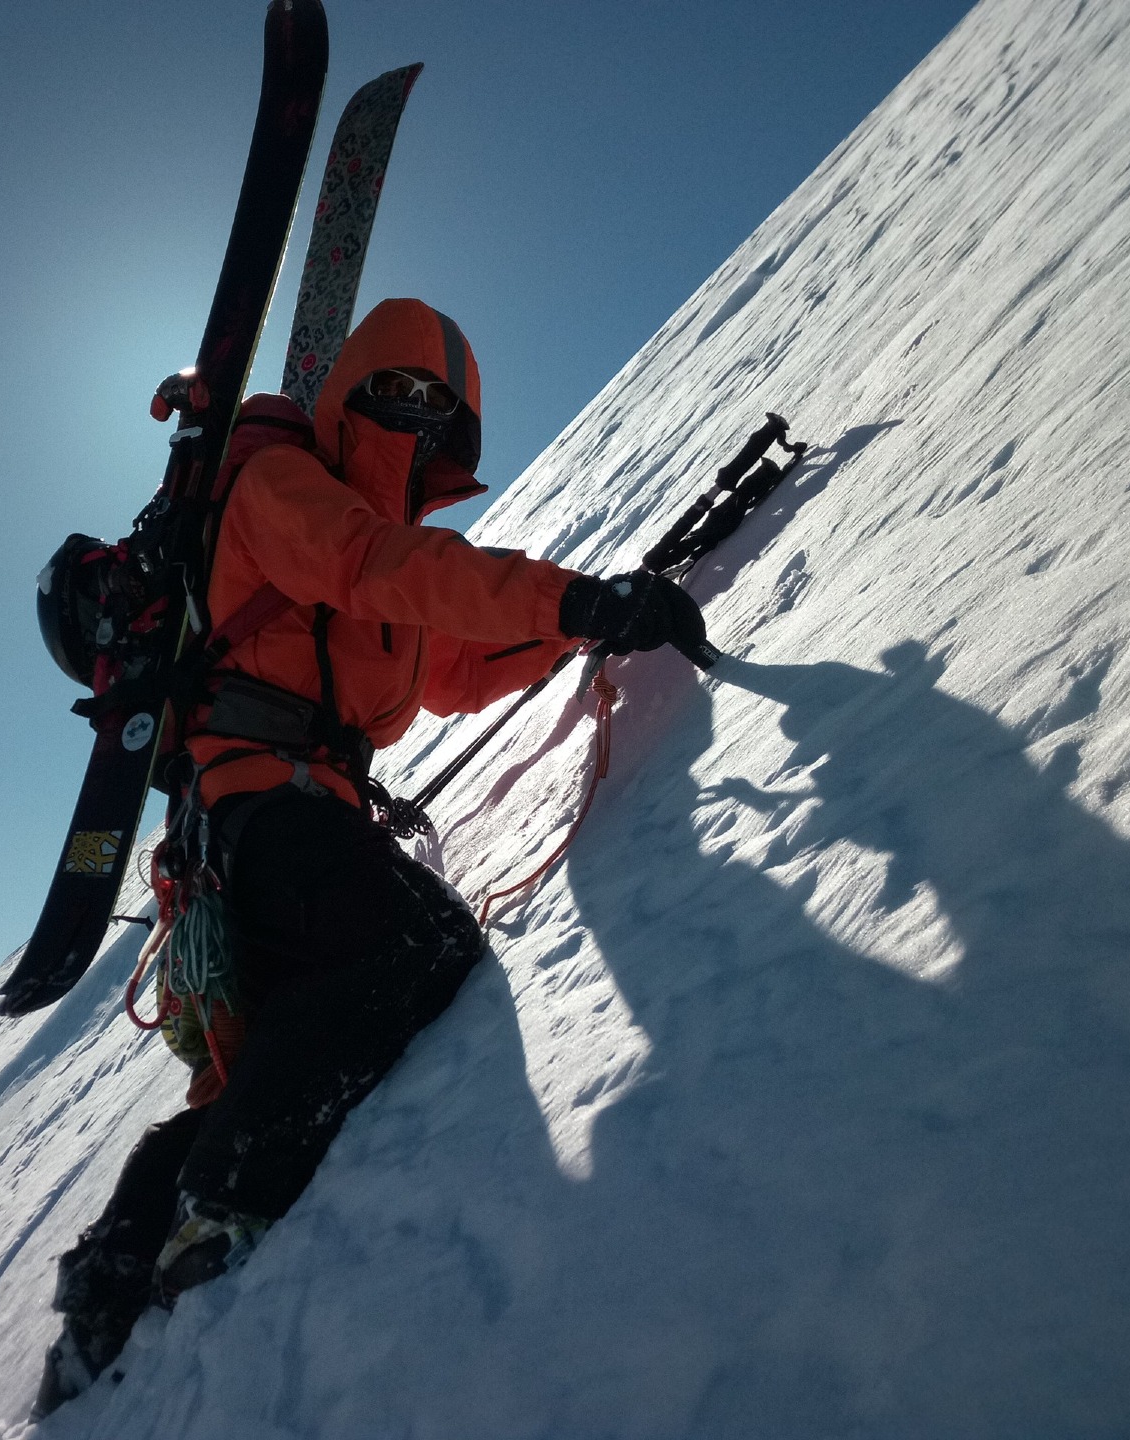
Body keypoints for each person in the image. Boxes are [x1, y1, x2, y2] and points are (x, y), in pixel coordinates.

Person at [34, 298, 707, 1414]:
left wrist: (583, 625)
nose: (416, 421)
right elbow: (371, 565)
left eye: (439, 408)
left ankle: (101, 1308)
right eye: (398, 393)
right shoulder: (278, 483)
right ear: (349, 396)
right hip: (257, 812)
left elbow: (448, 667)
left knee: (267, 1058)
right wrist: (575, 593)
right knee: (416, 946)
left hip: (296, 823)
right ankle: (223, 1206)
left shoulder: (383, 569)